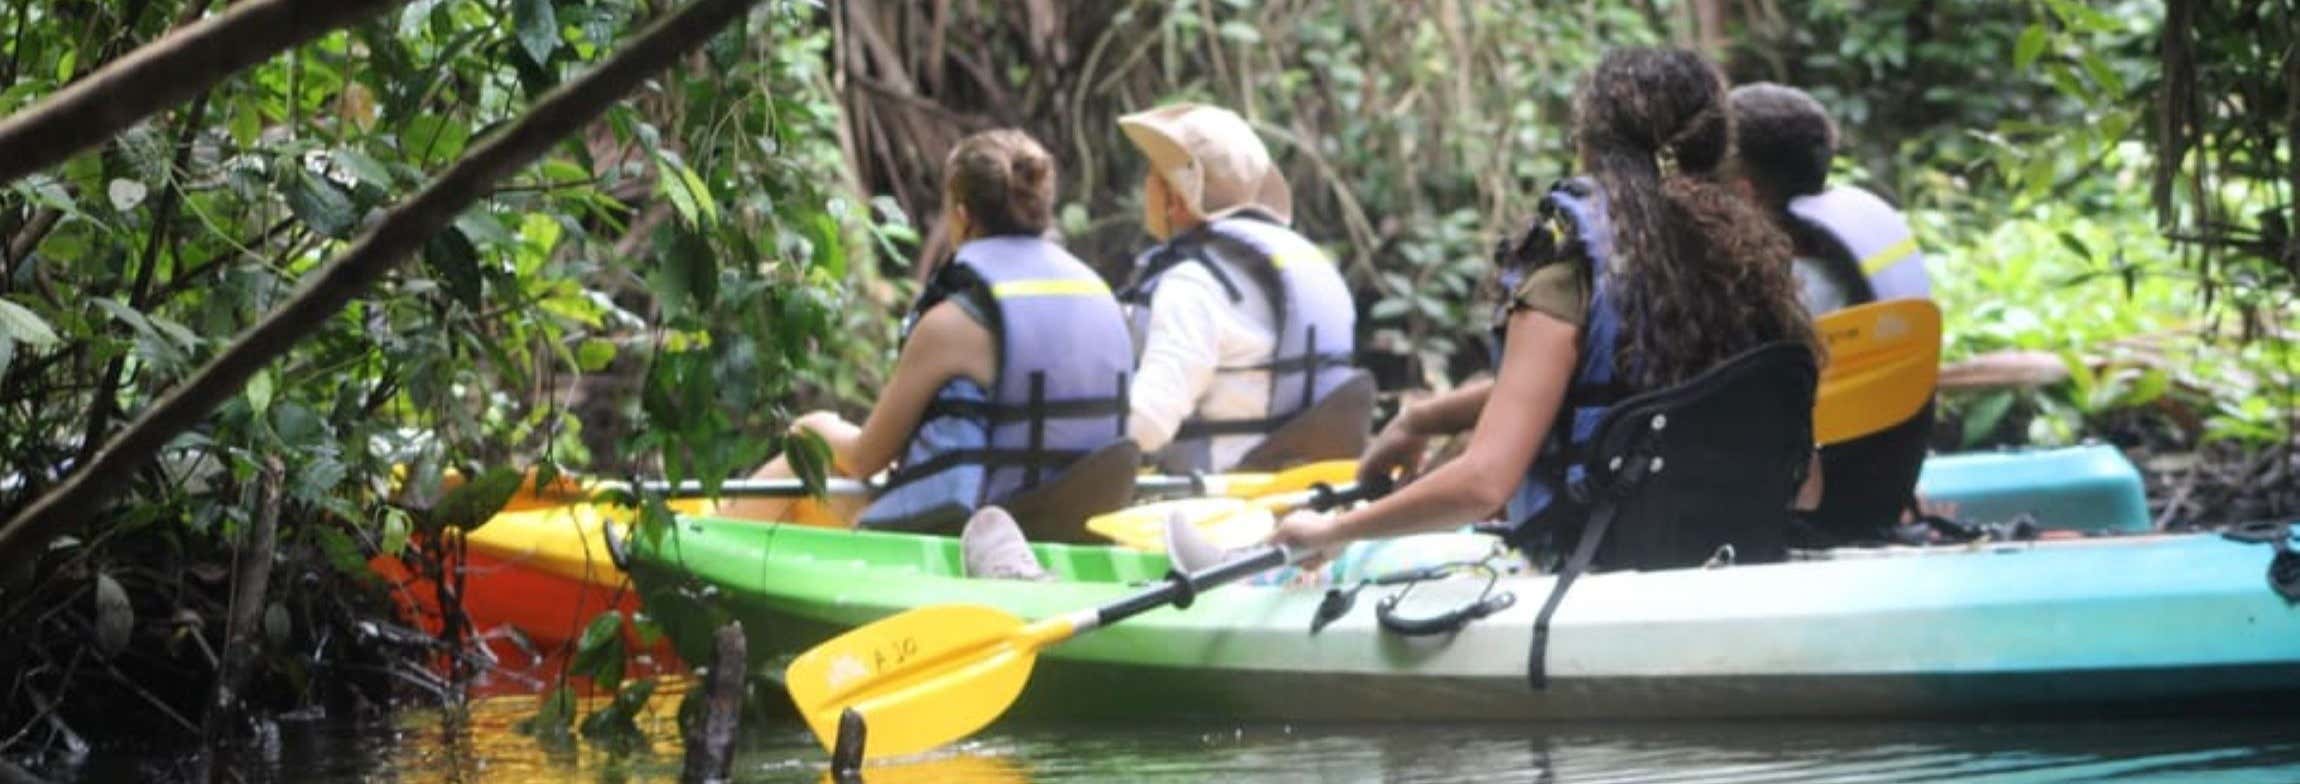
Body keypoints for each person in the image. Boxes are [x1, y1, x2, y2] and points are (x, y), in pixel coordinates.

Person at [1270, 48, 1818, 567]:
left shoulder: (1570, 266)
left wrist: (1333, 532)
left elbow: (1483, 484)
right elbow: (1808, 486)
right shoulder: (1755, 269)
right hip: (1737, 557)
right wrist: (1422, 417)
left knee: (1356, 552)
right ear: (1718, 150)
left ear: (1588, 146)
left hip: (1592, 563)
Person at [720, 130, 1134, 532]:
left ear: (961, 215)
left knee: (807, 449)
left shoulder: (954, 323)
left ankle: (708, 554)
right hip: (1078, 526)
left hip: (973, 533)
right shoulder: (1100, 296)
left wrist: (813, 426)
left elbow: (866, 459)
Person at [1727, 82, 1936, 543]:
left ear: (1744, 192)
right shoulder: (1857, 252)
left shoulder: (1783, 292)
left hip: (1811, 520)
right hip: (1878, 492)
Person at [1115, 103, 1359, 474]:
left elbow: (1148, 426)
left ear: (1176, 199)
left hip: (1215, 503)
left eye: (1153, 176)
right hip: (1299, 492)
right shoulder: (1302, 266)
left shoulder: (1194, 283)